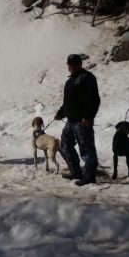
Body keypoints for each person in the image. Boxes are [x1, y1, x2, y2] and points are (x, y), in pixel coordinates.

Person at [55, 54, 101, 186]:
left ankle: (90, 175)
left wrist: (88, 117)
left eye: (74, 64)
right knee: (64, 144)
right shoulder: (69, 81)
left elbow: (94, 100)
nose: (71, 67)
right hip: (71, 120)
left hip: (82, 121)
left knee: (86, 149)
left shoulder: (87, 78)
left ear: (80, 64)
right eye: (69, 65)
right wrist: (61, 113)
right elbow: (68, 102)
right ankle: (75, 171)